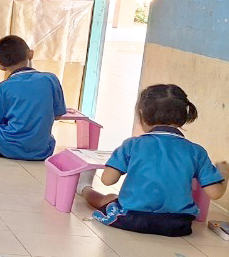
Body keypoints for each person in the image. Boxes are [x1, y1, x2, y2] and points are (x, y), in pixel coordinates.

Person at [79, 84, 227, 236]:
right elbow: (215, 193)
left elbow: (107, 180)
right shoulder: (197, 151)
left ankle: (84, 188)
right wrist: (224, 173)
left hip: (132, 218)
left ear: (142, 115)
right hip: (177, 224)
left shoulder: (132, 144)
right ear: (184, 117)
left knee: (108, 199)